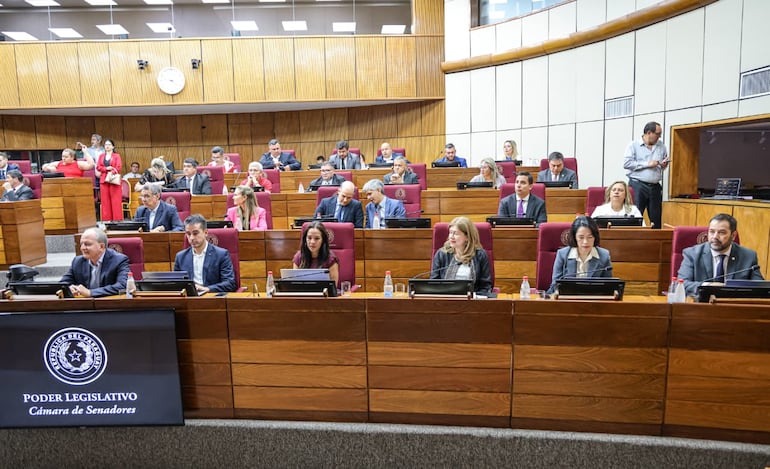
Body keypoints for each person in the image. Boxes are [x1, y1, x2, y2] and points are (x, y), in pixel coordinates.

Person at [677, 213, 764, 297]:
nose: (715, 236)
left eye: (721, 232)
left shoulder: (748, 256)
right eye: (711, 232)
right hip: (702, 306)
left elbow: (760, 287)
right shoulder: (692, 254)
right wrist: (707, 286)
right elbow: (681, 284)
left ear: (733, 235)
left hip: (734, 306)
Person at [548, 216, 613, 294]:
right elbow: (554, 286)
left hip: (593, 301)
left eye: (589, 237)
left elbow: (609, 287)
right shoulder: (562, 255)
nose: (585, 242)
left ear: (595, 237)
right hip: (567, 301)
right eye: (581, 237)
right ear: (575, 237)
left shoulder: (604, 256)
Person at [173, 214, 236, 293]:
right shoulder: (180, 257)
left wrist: (208, 289)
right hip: (189, 300)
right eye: (188, 234)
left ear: (206, 232)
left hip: (212, 299)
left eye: (195, 233)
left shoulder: (221, 255)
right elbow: (175, 283)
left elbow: (230, 283)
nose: (191, 238)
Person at [61, 227, 129, 298]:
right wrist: (69, 288)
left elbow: (123, 286)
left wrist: (91, 292)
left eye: (88, 244)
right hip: (84, 305)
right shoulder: (78, 261)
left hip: (110, 304)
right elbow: (63, 284)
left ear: (101, 246)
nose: (82, 248)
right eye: (81, 244)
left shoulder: (119, 260)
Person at [624, 121, 669, 229]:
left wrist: (664, 164)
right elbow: (627, 164)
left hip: (655, 187)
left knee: (656, 218)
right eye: (657, 134)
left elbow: (663, 163)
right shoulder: (633, 145)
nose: (659, 137)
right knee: (634, 216)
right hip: (637, 185)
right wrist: (647, 164)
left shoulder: (661, 146)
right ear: (649, 133)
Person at [430, 216, 492, 294]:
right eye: (450, 232)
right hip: (445, 299)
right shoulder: (441, 254)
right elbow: (433, 283)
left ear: (467, 237)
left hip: (472, 301)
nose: (451, 237)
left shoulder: (480, 255)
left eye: (456, 233)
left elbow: (486, 286)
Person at [292, 221, 340, 286]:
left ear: (323, 240)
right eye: (309, 238)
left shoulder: (331, 260)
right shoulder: (299, 257)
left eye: (317, 238)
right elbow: (294, 285)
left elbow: (333, 288)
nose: (312, 242)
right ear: (305, 239)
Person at [96, 138, 123, 221]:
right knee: (105, 201)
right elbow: (98, 167)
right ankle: (107, 221)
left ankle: (117, 220)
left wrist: (111, 171)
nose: (107, 146)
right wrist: (106, 168)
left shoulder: (116, 156)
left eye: (109, 145)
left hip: (113, 179)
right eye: (106, 145)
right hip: (104, 180)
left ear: (113, 146)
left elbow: (118, 167)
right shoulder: (101, 156)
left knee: (115, 201)